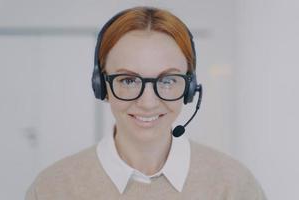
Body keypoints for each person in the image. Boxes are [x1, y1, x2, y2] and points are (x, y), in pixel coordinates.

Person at [26, 6, 267, 200]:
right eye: (129, 80)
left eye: (168, 80)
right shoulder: (51, 189)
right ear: (102, 86)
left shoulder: (233, 185)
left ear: (190, 88)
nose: (148, 102)